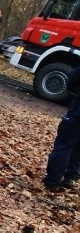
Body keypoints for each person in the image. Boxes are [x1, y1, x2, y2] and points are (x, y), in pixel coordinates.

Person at [43, 64, 80, 192]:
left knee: (64, 145)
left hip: (77, 114)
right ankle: (70, 177)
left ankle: (53, 181)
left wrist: (75, 93)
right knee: (78, 147)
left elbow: (72, 79)